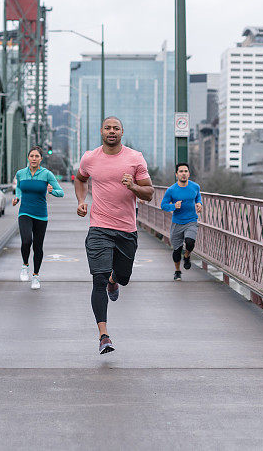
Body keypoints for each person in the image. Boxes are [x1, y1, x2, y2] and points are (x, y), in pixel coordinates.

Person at [75, 117, 154, 354]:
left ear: (122, 132)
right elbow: (80, 179)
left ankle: (114, 280)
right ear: (101, 131)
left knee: (123, 276)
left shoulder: (135, 158)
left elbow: (149, 193)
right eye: (107, 128)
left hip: (126, 231)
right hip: (99, 227)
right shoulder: (90, 158)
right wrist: (81, 201)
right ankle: (104, 336)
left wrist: (134, 187)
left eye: (116, 128)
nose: (111, 131)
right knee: (97, 279)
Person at [13, 146, 64, 289]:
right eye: (31, 156)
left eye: (37, 156)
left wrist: (52, 191)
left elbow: (61, 193)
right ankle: (25, 265)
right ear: (28, 158)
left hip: (41, 215)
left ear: (41, 159)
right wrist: (17, 197)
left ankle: (36, 276)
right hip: (24, 212)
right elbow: (19, 187)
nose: (34, 159)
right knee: (26, 241)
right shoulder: (20, 173)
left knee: (38, 247)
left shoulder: (47, 174)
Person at [160, 162, 203, 281]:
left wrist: (199, 203)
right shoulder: (171, 190)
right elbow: (163, 205)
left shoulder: (195, 186)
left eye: (185, 171)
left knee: (190, 242)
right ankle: (177, 271)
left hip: (191, 220)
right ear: (176, 174)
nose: (183, 174)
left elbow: (198, 197)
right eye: (181, 171)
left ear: (189, 174)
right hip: (177, 222)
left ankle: (187, 255)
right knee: (177, 250)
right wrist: (173, 206)